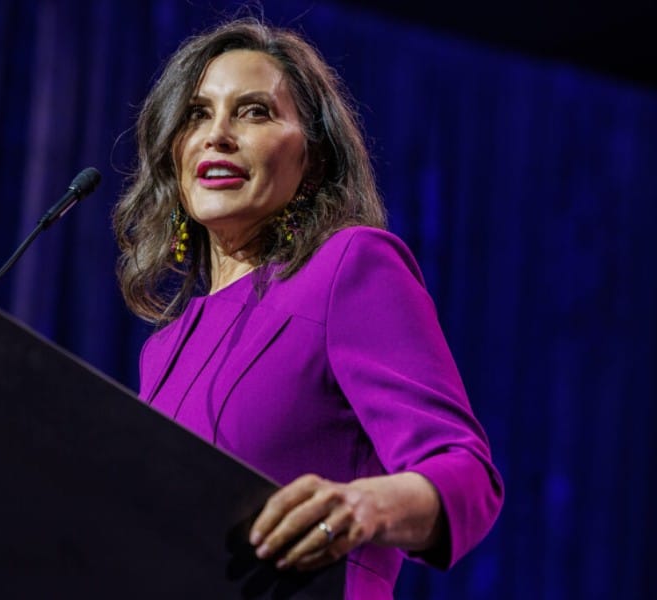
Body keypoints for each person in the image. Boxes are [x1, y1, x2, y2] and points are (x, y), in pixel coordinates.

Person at [113, 17, 503, 599]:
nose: (217, 134)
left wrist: (364, 505)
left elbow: (467, 473)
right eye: (198, 114)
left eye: (254, 112)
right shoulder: (163, 350)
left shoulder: (349, 267)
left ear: (312, 160)